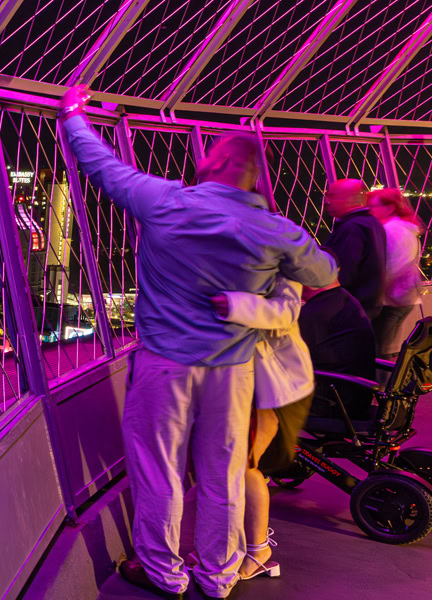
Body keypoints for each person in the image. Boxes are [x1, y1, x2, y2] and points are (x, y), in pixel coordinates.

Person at [60, 85, 338, 599]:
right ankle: (218, 575)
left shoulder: (165, 201)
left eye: (210, 152)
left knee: (158, 469)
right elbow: (323, 270)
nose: (202, 157)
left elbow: (103, 167)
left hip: (163, 365)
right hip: (233, 370)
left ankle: (165, 572)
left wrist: (74, 117)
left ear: (225, 162)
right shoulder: (273, 229)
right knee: (224, 474)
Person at [213, 276, 310, 582]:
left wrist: (231, 306)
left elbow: (280, 318)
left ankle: (258, 552)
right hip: (253, 383)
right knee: (238, 467)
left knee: (245, 468)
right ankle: (242, 546)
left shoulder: (273, 264)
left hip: (266, 387)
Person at [367, 187, 424, 356]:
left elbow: (391, 266)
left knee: (380, 350)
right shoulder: (407, 229)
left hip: (391, 298)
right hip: (405, 296)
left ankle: (381, 382)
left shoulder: (392, 230)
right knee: (386, 347)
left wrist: (373, 293)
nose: (370, 211)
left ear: (390, 207)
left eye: (374, 206)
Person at [323, 179, 388, 318]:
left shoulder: (352, 228)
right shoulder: (372, 222)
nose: (327, 201)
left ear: (349, 198)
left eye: (332, 196)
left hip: (350, 306)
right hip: (368, 303)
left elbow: (344, 271)